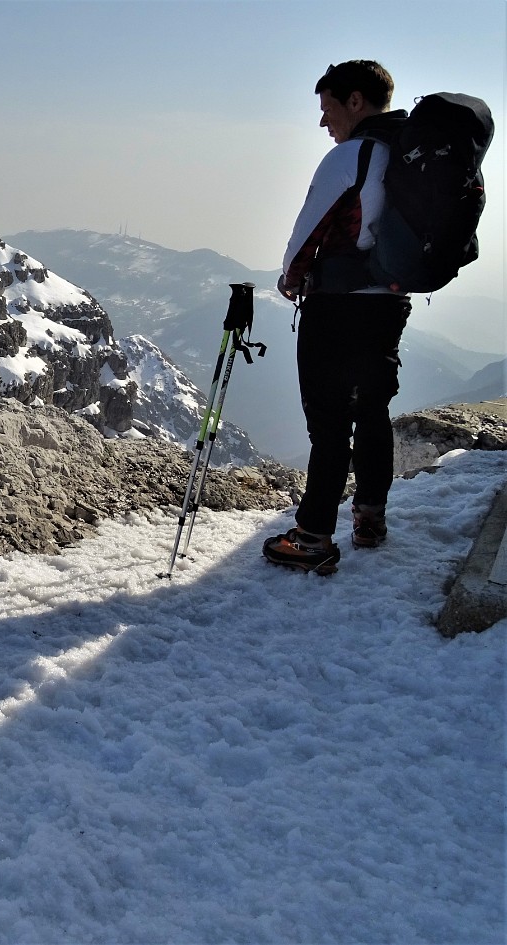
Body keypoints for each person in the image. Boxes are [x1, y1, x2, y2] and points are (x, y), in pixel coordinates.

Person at [264, 60, 411, 575]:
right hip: (389, 302)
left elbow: (306, 236)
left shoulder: (351, 156)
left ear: (355, 101)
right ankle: (370, 518)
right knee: (372, 408)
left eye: (328, 109)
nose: (324, 123)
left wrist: (290, 280)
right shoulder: (407, 155)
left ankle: (312, 535)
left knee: (328, 423)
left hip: (337, 304)